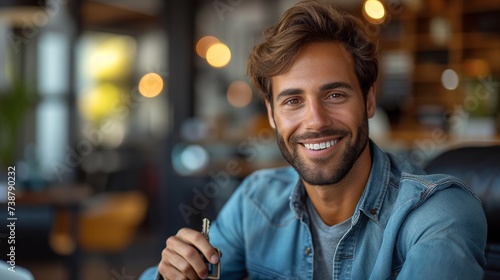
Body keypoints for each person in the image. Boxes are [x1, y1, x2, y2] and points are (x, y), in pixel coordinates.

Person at [140, 0, 487, 279]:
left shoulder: (437, 214)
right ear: (273, 115)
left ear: (368, 99)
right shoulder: (255, 201)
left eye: (335, 95)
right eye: (293, 101)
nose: (316, 121)